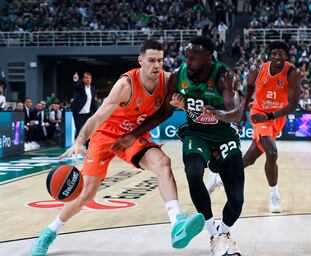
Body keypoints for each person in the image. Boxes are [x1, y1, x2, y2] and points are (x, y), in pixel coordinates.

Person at [31, 40, 205, 256]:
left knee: (163, 162)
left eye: (160, 60)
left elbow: (192, 100)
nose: (156, 65)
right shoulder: (126, 85)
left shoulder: (168, 80)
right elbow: (98, 116)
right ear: (140, 61)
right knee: (86, 193)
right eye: (151, 60)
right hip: (106, 136)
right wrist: (79, 140)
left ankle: (177, 223)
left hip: (133, 135)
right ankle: (49, 232)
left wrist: (183, 104)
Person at [112, 36, 244, 256]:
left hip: (224, 135)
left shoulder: (225, 77)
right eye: (186, 56)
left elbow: (238, 114)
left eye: (193, 58)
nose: (188, 61)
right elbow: (164, 112)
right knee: (193, 173)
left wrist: (219, 113)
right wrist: (134, 134)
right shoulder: (178, 77)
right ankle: (213, 235)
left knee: (237, 200)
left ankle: (224, 231)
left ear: (208, 59)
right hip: (196, 134)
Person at [207, 41, 302, 213]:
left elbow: (293, 107)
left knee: (249, 159)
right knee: (271, 153)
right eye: (274, 53)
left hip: (277, 117)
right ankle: (274, 197)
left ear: (287, 57)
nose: (278, 57)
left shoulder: (293, 73)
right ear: (269, 55)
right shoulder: (257, 71)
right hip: (259, 115)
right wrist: (242, 113)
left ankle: (220, 174)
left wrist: (270, 116)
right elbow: (248, 90)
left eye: (282, 54)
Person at [70, 71, 96, 145]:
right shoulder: (80, 86)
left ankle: (88, 149)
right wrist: (75, 79)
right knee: (80, 131)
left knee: (88, 131)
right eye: (86, 78)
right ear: (83, 79)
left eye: (90, 78)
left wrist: (96, 113)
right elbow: (76, 85)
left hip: (87, 114)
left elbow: (93, 102)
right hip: (78, 113)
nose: (88, 80)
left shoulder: (92, 89)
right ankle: (76, 149)